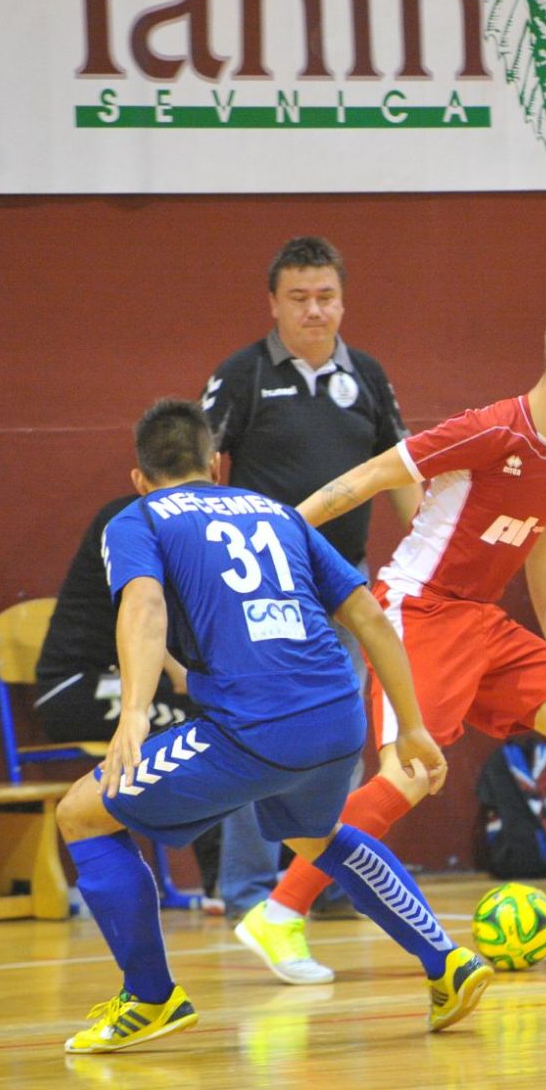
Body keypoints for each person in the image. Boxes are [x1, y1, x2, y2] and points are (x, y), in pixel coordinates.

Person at [235, 298, 546, 982]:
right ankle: (278, 913)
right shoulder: (490, 430)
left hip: (482, 622)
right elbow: (368, 478)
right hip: (418, 612)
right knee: (410, 775)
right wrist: (275, 537)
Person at [56, 399, 489, 1053]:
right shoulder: (276, 513)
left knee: (82, 815)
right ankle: (447, 962)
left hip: (254, 728)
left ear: (140, 478)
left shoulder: (137, 517)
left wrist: (136, 713)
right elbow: (369, 617)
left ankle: (150, 997)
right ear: (215, 464)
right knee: (316, 835)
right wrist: (411, 726)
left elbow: (143, 605)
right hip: (337, 718)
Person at [201, 235, 419, 954]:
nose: (314, 311)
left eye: (326, 297)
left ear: (343, 302)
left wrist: (426, 553)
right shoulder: (241, 375)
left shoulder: (369, 375)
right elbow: (199, 466)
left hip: (343, 580)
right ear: (273, 303)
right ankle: (248, 889)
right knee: (260, 732)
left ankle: (318, 882)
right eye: (298, 298)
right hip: (262, 586)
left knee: (340, 734)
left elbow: (402, 468)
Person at [34, 494, 221, 895]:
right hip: (77, 687)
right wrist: (181, 672)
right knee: (210, 726)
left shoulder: (174, 524)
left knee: (223, 717)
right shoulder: (128, 522)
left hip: (120, 681)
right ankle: (222, 880)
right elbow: (142, 616)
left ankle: (244, 872)